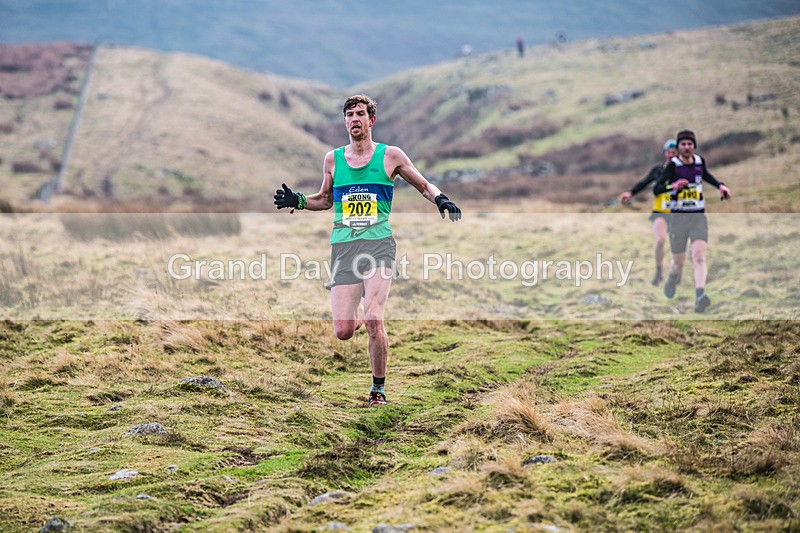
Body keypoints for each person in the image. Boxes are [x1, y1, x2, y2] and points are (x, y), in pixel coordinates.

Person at [274, 94, 462, 406]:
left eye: (360, 114)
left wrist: (441, 199)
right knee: (344, 331)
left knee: (375, 318)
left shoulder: (390, 156)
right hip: (344, 246)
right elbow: (325, 199)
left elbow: (423, 185)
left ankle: (378, 389)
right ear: (345, 121)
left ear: (371, 120)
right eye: (349, 115)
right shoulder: (333, 159)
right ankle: (354, 306)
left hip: (379, 244)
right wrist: (299, 201)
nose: (354, 119)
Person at [653, 130, 731, 313]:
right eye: (683, 144)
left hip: (697, 217)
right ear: (678, 147)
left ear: (694, 146)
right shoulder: (673, 165)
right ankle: (673, 277)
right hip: (678, 219)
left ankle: (700, 296)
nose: (687, 147)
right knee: (678, 261)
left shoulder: (699, 162)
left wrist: (720, 185)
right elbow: (657, 189)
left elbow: (707, 176)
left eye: (690, 144)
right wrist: (671, 186)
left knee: (699, 256)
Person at [619, 139, 678, 286]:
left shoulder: (682, 170)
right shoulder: (658, 170)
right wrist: (630, 193)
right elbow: (644, 182)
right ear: (665, 153)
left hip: (678, 212)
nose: (671, 155)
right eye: (668, 152)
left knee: (677, 246)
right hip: (660, 212)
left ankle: (676, 272)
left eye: (674, 152)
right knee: (660, 240)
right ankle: (658, 271)